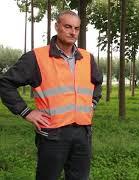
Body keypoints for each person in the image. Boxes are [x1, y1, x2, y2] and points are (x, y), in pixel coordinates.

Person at [0, 10, 102, 180]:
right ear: (57, 27)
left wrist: (92, 104)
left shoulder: (87, 58)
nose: (72, 32)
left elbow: (97, 83)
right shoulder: (37, 57)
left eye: (76, 28)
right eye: (67, 27)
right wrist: (27, 112)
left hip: (83, 134)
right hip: (53, 134)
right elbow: (5, 83)